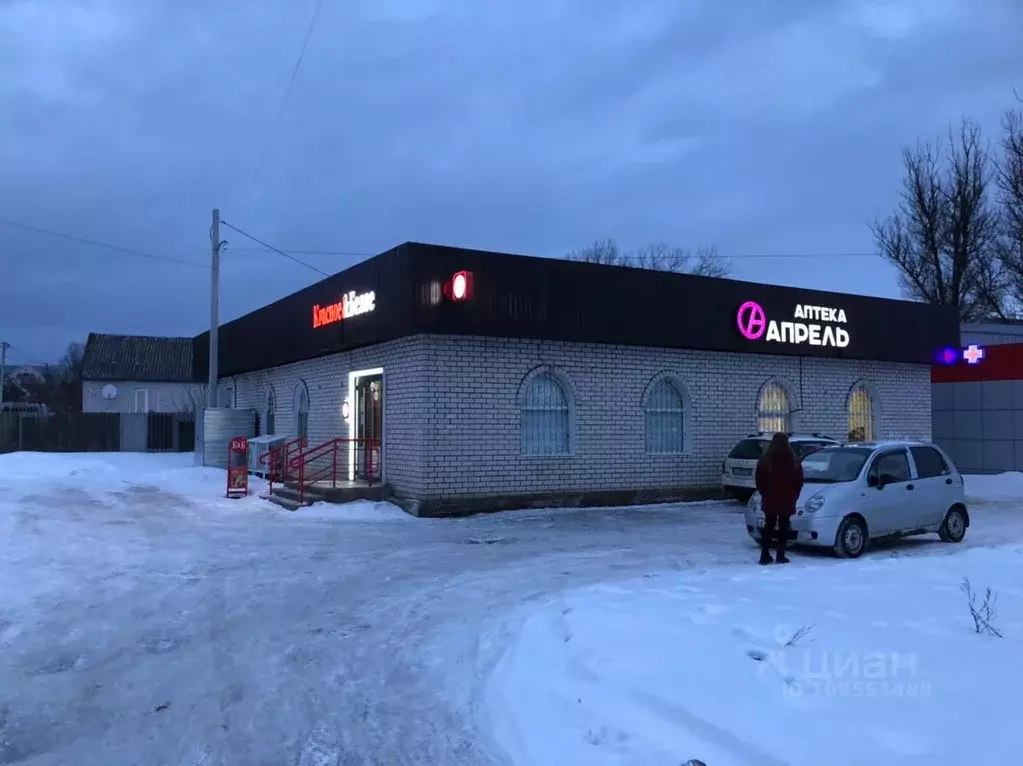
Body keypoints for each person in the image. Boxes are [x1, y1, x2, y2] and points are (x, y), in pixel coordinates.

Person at [754, 432, 804, 564]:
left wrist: (764, 493)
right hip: (787, 498)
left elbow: (759, 480)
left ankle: (764, 554)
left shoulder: (765, 460)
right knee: (783, 526)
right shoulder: (793, 459)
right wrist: (795, 495)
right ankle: (781, 554)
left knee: (768, 526)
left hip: (770, 498)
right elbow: (799, 480)